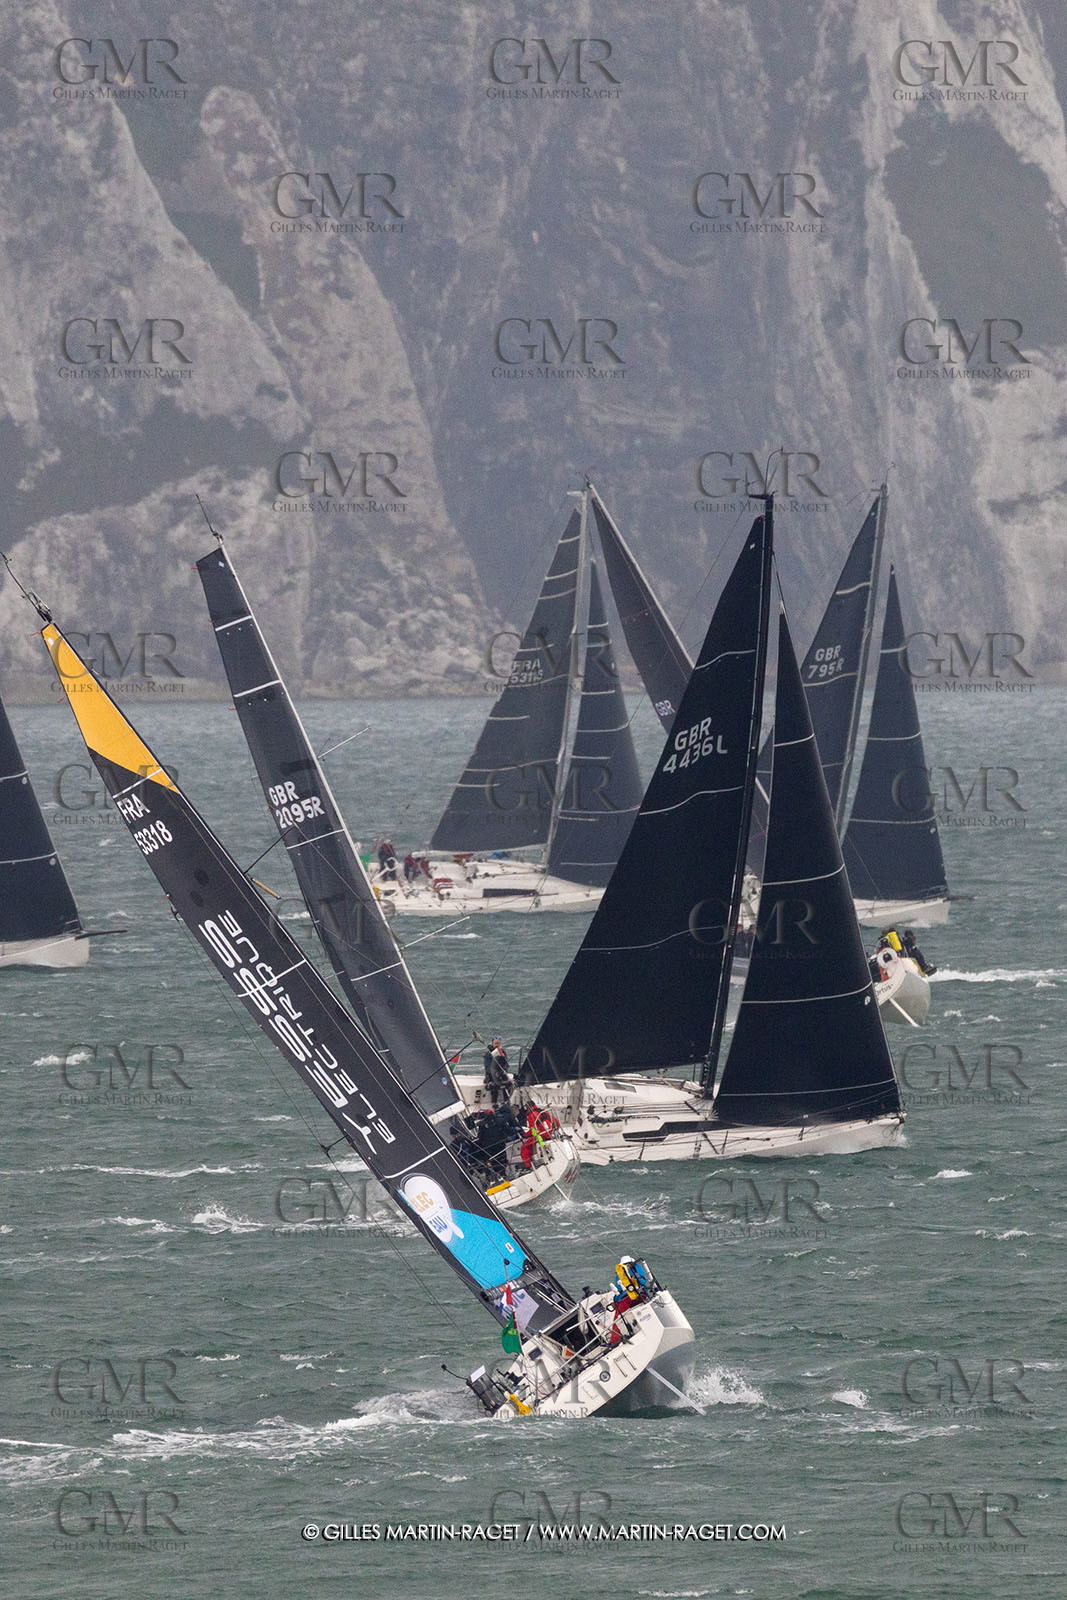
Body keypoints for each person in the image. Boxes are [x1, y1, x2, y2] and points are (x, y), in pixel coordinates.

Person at [483, 1037, 512, 1108]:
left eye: (498, 1043)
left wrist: (503, 1070)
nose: (497, 1045)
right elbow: (487, 1067)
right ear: (492, 1043)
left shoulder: (502, 1052)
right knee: (494, 1084)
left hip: (501, 1073)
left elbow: (506, 1063)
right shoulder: (488, 1054)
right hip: (491, 1074)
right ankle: (494, 1102)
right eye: (496, 1043)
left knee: (509, 1083)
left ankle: (506, 1100)